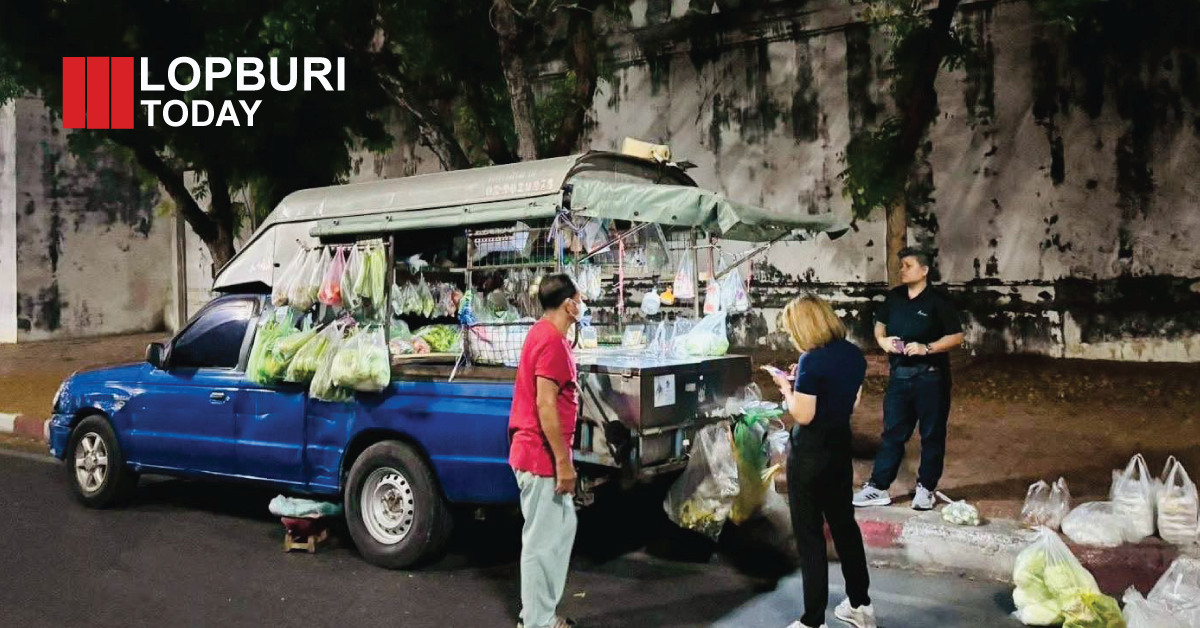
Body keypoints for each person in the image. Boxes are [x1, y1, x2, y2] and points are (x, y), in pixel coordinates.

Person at [770, 295, 876, 628]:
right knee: (845, 527)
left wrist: (786, 389)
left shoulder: (812, 361)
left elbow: (804, 413)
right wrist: (801, 380)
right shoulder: (853, 354)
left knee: (811, 537)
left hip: (809, 456)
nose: (791, 337)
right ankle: (861, 606)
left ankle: (813, 621)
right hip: (838, 452)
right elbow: (852, 401)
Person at [853, 248, 964, 511]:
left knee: (932, 435)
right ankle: (878, 487)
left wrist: (927, 348)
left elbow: (957, 336)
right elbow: (879, 325)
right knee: (892, 434)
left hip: (931, 378)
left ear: (924, 271)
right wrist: (883, 341)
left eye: (908, 265)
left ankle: (926, 488)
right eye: (901, 265)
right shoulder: (894, 298)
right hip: (900, 378)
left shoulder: (938, 300)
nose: (902, 270)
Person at [509, 274, 586, 628]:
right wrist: (563, 463)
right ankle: (537, 621)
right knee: (542, 543)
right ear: (569, 304)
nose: (581, 304)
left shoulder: (542, 334)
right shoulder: (551, 341)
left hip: (539, 455)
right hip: (541, 458)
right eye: (579, 298)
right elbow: (545, 405)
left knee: (561, 527)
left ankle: (541, 614)